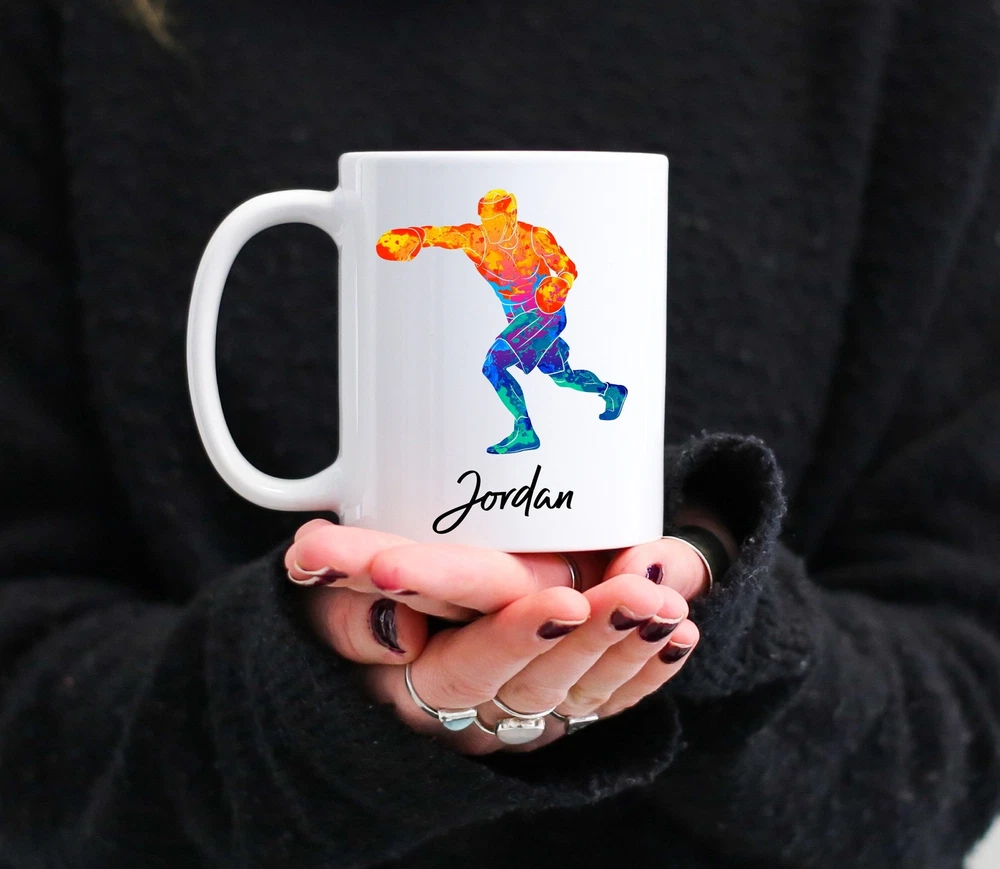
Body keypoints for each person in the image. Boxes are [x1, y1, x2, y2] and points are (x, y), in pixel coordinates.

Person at [1, 1, 999, 867]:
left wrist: (733, 632)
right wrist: (301, 710)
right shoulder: (63, 33)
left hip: (542, 323)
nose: (490, 217)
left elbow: (961, 702)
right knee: (528, 374)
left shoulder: (915, 32)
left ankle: (569, 407)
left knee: (516, 365)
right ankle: (588, 397)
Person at [375, 188, 628, 455]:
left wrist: (561, 284)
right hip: (519, 320)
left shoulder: (535, 237)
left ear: (511, 215)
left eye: (496, 221)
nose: (490, 228)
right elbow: (441, 234)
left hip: (546, 314)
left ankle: (525, 430)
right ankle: (610, 391)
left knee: (493, 364)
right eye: (486, 221)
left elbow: (566, 266)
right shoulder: (475, 239)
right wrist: (414, 235)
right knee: (563, 377)